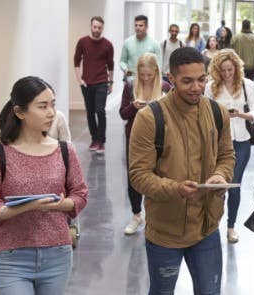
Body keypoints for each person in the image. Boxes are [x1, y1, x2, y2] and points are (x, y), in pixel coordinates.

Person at [128, 47, 235, 294]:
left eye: (201, 79)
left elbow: (227, 156)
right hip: (165, 232)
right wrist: (176, 189)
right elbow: (139, 176)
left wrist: (221, 175)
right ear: (171, 78)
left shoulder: (218, 113)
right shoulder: (149, 118)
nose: (196, 87)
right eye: (187, 81)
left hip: (207, 228)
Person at [0, 76, 88, 295]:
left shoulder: (66, 150)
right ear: (20, 112)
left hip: (57, 253)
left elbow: (81, 195)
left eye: (53, 105)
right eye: (43, 106)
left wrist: (60, 205)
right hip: (12, 258)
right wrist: (29, 206)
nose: (51, 113)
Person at [204, 49, 254, 243]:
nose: (227, 74)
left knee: (234, 185)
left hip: (242, 140)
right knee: (218, 184)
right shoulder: (210, 87)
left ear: (236, 67)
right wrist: (221, 115)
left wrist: (239, 114)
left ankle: (230, 227)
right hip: (218, 141)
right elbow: (205, 113)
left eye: (230, 70)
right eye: (223, 70)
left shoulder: (248, 85)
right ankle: (212, 225)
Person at [119, 54, 163, 235]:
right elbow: (123, 113)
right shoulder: (130, 87)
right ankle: (136, 215)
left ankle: (155, 216)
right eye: (142, 74)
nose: (145, 78)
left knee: (158, 176)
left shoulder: (165, 88)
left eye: (149, 75)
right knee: (134, 177)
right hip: (134, 138)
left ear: (156, 72)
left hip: (159, 138)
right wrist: (133, 107)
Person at [74, 16, 114, 154]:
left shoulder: (108, 45)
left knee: (100, 111)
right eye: (95, 27)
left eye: (99, 27)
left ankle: (101, 141)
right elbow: (76, 62)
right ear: (91, 26)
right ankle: (94, 139)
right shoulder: (82, 42)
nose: (97, 29)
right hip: (87, 83)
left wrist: (111, 82)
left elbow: (111, 65)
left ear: (102, 28)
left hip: (102, 82)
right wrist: (80, 80)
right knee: (90, 113)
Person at [120, 15, 161, 84]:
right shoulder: (127, 42)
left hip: (148, 82)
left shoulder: (155, 44)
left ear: (147, 27)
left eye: (140, 25)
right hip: (131, 81)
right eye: (136, 25)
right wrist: (125, 69)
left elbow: (159, 64)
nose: (137, 28)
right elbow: (122, 61)